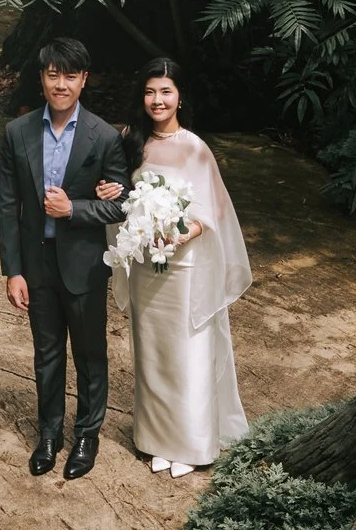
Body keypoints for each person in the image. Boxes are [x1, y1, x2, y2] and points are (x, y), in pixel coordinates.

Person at [94, 58, 252, 476]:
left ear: (180, 96)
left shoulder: (194, 147)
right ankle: (155, 439)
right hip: (146, 264)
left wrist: (186, 231)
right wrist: (109, 191)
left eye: (165, 91)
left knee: (188, 352)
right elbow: (118, 194)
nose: (157, 100)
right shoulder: (129, 140)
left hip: (185, 267)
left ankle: (191, 444)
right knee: (153, 352)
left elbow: (216, 210)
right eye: (149, 92)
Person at [0, 37, 132, 479]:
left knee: (91, 354)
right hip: (36, 265)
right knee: (47, 352)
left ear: (83, 80)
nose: (61, 84)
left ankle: (87, 434)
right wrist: (12, 270)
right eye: (53, 74)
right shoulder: (18, 133)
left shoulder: (104, 136)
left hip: (85, 263)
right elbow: (7, 205)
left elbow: (120, 202)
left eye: (70, 76)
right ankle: (49, 435)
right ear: (42, 78)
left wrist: (74, 209)